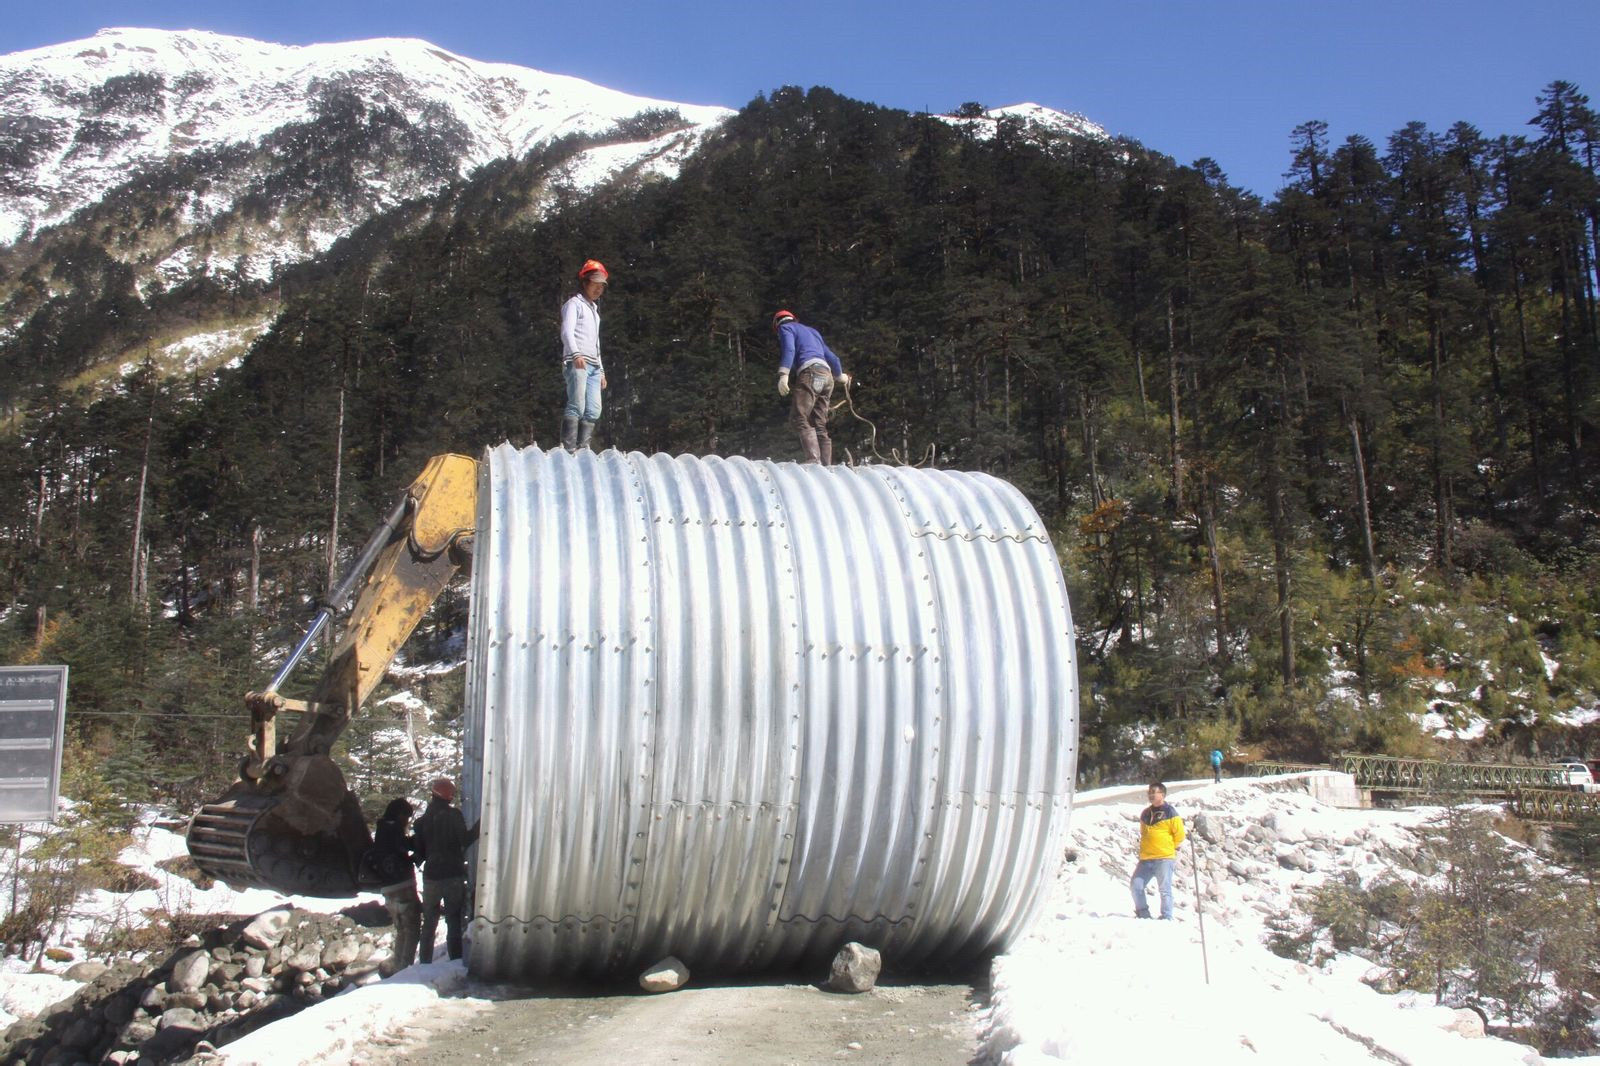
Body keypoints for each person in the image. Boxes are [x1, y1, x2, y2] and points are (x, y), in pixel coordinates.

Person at [414, 777, 479, 962]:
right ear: (449, 797)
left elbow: (419, 853)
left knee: (429, 922)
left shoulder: (421, 822)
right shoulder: (453, 816)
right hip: (453, 874)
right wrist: (481, 825)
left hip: (431, 876)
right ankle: (455, 960)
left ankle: (424, 963)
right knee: (453, 919)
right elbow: (465, 840)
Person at [772, 310, 849, 465]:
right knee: (819, 423)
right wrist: (840, 376)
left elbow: (790, 349)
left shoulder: (786, 328)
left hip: (811, 373)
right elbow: (833, 357)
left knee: (799, 417)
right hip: (827, 377)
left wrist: (784, 374)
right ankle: (826, 466)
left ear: (777, 324)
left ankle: (813, 461)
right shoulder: (812, 332)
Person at [366, 797, 421, 975]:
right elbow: (404, 847)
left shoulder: (382, 830)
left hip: (388, 889)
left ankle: (398, 966)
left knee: (401, 929)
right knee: (411, 928)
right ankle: (405, 969)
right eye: (406, 817)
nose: (407, 822)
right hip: (401, 886)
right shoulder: (393, 829)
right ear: (400, 814)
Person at [559, 259, 609, 452]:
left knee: (594, 410)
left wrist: (602, 370)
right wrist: (575, 354)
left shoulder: (595, 312)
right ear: (585, 283)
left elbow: (596, 344)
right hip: (577, 361)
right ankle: (569, 449)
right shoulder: (574, 304)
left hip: (594, 366)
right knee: (577, 405)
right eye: (595, 284)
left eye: (601, 286)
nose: (598, 289)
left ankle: (583, 448)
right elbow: (567, 332)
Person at [1130, 782, 1186, 920]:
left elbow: (1180, 835)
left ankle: (1167, 916)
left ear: (1163, 794)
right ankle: (1143, 914)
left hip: (1164, 858)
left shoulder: (1170, 812)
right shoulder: (1145, 813)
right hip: (1146, 858)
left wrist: (1168, 848)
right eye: (1150, 792)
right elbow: (1143, 832)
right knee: (1136, 885)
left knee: (1164, 889)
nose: (1151, 795)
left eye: (1154, 792)